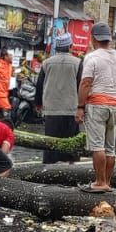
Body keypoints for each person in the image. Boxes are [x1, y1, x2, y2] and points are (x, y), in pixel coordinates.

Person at [75, 23, 116, 193]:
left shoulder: (92, 58)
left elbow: (85, 83)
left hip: (97, 104)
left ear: (93, 39)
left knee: (97, 146)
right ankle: (107, 182)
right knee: (110, 147)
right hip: (115, 105)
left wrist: (80, 107)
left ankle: (100, 182)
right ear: (108, 39)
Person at [36, 33, 81, 164]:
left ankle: (50, 169)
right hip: (71, 109)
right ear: (70, 46)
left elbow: (40, 85)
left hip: (52, 109)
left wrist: (38, 104)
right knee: (71, 142)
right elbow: (81, 85)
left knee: (51, 142)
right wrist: (82, 107)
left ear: (57, 47)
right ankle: (71, 167)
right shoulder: (77, 63)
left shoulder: (46, 63)